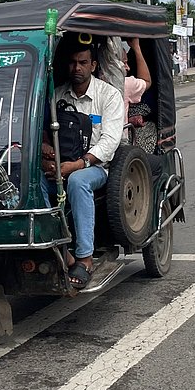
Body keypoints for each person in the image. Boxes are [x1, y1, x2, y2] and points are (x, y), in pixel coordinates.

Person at [39, 41, 124, 288]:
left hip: (95, 168)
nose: (77, 67)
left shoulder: (108, 95)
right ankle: (60, 251)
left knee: (77, 181)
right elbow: (44, 131)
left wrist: (78, 164)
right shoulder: (57, 95)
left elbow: (109, 142)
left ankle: (85, 258)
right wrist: (47, 152)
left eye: (83, 62)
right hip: (58, 166)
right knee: (32, 182)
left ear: (93, 65)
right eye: (73, 62)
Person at [122, 38, 155, 151]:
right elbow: (147, 82)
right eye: (124, 63)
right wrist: (136, 47)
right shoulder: (126, 84)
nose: (128, 67)